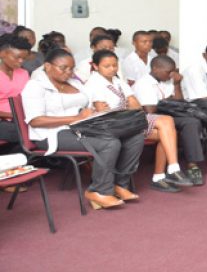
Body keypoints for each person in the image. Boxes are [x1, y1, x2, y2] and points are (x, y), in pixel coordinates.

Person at [21, 48, 145, 209]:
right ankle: (99, 190)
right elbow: (36, 120)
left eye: (71, 68)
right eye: (63, 68)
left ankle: (120, 184)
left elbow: (88, 103)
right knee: (110, 143)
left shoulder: (74, 83)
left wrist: (96, 109)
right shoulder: (35, 86)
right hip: (53, 134)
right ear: (48, 66)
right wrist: (77, 118)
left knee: (135, 136)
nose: (68, 72)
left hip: (82, 126)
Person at [84, 50, 193, 193]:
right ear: (96, 66)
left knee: (166, 134)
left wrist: (126, 106)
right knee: (166, 122)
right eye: (107, 66)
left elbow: (135, 104)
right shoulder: (94, 83)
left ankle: (160, 176)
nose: (112, 69)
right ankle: (172, 169)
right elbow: (103, 110)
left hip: (126, 119)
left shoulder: (118, 81)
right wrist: (127, 105)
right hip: (109, 124)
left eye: (114, 65)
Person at [133, 55, 206, 186]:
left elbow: (179, 102)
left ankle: (192, 164)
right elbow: (150, 111)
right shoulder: (144, 83)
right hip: (151, 118)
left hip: (167, 114)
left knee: (192, 121)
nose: (171, 74)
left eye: (173, 71)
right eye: (168, 72)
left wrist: (177, 84)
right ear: (155, 69)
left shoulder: (166, 81)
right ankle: (173, 169)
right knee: (179, 123)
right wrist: (168, 101)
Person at [0, 34, 32, 143]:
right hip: (4, 121)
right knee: (23, 133)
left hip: (22, 119)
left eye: (23, 58)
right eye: (17, 57)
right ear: (2, 54)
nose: (21, 61)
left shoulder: (23, 73)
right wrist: (14, 115)